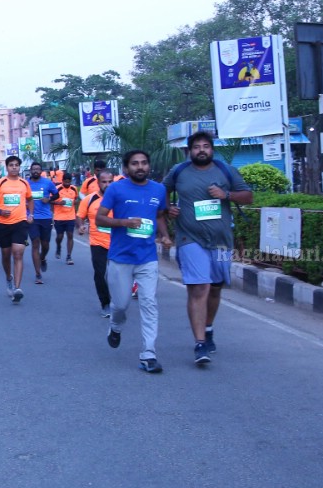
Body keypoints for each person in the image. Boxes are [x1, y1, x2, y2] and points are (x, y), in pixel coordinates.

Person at [164, 131, 254, 365]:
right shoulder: (179, 171)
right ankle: (200, 343)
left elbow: (248, 197)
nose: (201, 150)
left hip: (222, 240)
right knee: (199, 287)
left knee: (215, 288)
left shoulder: (225, 171)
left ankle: (209, 327)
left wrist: (227, 194)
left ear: (212, 149)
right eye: (196, 147)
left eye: (205, 146)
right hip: (189, 238)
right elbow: (161, 191)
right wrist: (168, 209)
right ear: (189, 151)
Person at [95, 150, 173, 374]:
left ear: (149, 166)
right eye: (135, 164)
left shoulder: (158, 189)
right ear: (126, 168)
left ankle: (148, 353)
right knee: (120, 305)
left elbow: (159, 216)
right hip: (120, 258)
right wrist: (124, 222)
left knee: (149, 302)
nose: (140, 167)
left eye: (144, 163)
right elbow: (100, 217)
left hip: (147, 258)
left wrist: (165, 235)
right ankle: (115, 327)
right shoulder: (116, 189)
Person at [0, 156, 33, 304]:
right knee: (6, 255)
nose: (14, 167)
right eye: (11, 165)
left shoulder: (24, 183)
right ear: (7, 167)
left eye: (16, 165)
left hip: (20, 223)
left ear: (19, 167)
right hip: (2, 224)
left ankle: (17, 288)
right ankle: (9, 278)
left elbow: (30, 199)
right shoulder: (0, 184)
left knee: (18, 253)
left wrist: (30, 214)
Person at [77, 168, 115, 317]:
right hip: (97, 242)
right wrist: (80, 225)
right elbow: (80, 216)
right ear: (98, 183)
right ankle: (105, 303)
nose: (107, 185)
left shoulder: (120, 199)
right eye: (104, 182)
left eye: (110, 182)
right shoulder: (89, 199)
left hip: (118, 243)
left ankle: (117, 301)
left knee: (116, 276)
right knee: (100, 274)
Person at [26, 162, 59, 283]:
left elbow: (56, 194)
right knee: (35, 243)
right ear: (30, 170)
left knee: (45, 244)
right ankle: (38, 274)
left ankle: (43, 257)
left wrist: (49, 199)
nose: (35, 171)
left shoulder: (47, 183)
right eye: (33, 169)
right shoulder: (25, 183)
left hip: (45, 217)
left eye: (38, 169)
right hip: (31, 217)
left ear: (41, 171)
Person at [53, 173, 80, 263]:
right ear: (62, 181)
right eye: (65, 182)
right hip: (59, 217)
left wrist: (76, 202)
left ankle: (69, 256)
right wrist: (59, 203)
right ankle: (58, 246)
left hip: (70, 216)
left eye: (69, 182)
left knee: (70, 235)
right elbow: (50, 201)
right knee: (59, 236)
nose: (67, 184)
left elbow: (76, 199)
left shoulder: (74, 189)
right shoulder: (57, 189)